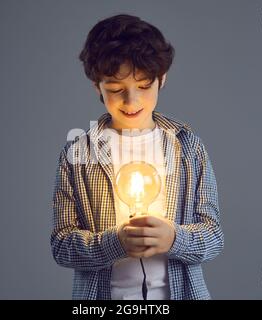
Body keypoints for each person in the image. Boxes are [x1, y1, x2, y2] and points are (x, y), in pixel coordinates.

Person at [51, 14, 224, 300]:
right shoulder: (77, 154)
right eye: (116, 90)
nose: (131, 101)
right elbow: (61, 246)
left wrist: (174, 239)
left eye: (144, 86)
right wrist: (114, 243)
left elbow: (214, 237)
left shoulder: (188, 147)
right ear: (97, 86)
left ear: (162, 79)